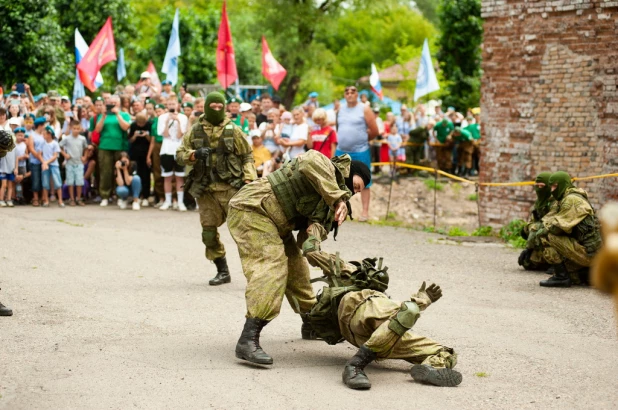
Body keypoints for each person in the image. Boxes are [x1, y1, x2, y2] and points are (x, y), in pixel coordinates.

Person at [227, 151, 371, 365]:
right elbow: (308, 160)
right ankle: (248, 338)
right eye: (356, 186)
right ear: (350, 172)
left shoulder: (331, 207)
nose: (354, 193)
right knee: (272, 267)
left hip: (277, 225)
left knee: (297, 270)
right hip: (251, 209)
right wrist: (336, 198)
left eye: (357, 192)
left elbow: (307, 242)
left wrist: (322, 247)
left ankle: (311, 323)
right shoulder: (325, 166)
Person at [303, 251, 461, 389]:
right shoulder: (350, 274)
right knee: (409, 311)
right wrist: (314, 227)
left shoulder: (381, 297)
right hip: (357, 306)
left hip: (381, 334)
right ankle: (354, 366)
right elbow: (311, 250)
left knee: (447, 353)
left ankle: (429, 369)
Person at [176, 92, 257, 285]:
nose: (217, 110)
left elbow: (247, 155)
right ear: (206, 107)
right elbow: (180, 154)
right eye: (213, 107)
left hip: (231, 188)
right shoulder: (195, 130)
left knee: (245, 234)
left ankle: (256, 273)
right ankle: (223, 270)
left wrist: (249, 179)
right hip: (206, 191)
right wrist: (194, 154)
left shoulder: (233, 129)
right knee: (208, 234)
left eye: (220, 107)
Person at [530, 172, 602, 288]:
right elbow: (548, 219)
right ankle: (587, 273)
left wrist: (541, 230)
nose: (552, 190)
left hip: (589, 253)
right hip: (587, 251)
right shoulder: (564, 198)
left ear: (563, 184)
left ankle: (561, 277)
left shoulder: (571, 200)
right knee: (573, 276)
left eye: (555, 186)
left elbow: (556, 228)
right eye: (551, 186)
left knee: (546, 235)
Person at [335, 86, 379, 222]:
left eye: (352, 91)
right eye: (346, 92)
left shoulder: (364, 108)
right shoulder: (340, 109)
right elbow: (338, 127)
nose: (349, 94)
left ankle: (364, 212)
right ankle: (336, 210)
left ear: (357, 94)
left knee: (365, 181)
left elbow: (374, 130)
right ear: (344, 95)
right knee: (336, 180)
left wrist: (361, 140)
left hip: (361, 150)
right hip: (341, 150)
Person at [92, 95, 131, 207]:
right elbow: (97, 130)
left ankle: (120, 195)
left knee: (120, 170)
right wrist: (104, 116)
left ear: (119, 103)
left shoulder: (124, 114)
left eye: (115, 102)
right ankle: (105, 196)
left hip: (119, 146)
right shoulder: (102, 115)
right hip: (105, 146)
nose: (113, 104)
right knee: (105, 171)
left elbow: (125, 127)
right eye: (111, 102)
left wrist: (117, 114)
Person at [518, 172, 555, 271]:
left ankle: (559, 265)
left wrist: (528, 248)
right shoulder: (538, 203)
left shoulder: (555, 202)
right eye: (536, 186)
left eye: (542, 186)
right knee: (527, 263)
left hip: (554, 237)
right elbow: (532, 222)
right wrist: (526, 229)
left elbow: (547, 225)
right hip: (540, 237)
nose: (539, 188)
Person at [158, 98, 188, 211]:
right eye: (169, 103)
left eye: (173, 103)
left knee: (180, 176)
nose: (171, 105)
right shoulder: (162, 117)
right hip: (166, 150)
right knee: (167, 177)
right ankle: (167, 201)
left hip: (179, 149)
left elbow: (181, 134)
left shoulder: (183, 117)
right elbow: (164, 134)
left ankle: (180, 202)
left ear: (177, 105)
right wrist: (167, 121)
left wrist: (178, 121)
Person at [59, 120, 88, 206]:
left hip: (79, 163)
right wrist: (65, 154)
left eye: (78, 128)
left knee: (79, 182)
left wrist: (85, 156)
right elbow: (59, 146)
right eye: (74, 128)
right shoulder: (67, 138)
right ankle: (72, 199)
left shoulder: (82, 139)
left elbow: (86, 148)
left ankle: (78, 198)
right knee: (70, 182)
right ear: (71, 128)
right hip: (70, 163)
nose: (76, 130)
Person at [128, 113, 152, 207]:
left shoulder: (149, 125)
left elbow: (151, 141)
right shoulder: (133, 125)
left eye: (143, 123)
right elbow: (130, 140)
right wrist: (135, 135)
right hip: (135, 154)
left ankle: (145, 196)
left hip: (146, 153)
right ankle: (136, 196)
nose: (141, 125)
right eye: (139, 124)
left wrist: (146, 135)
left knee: (146, 174)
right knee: (136, 175)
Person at [147, 104, 166, 206]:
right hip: (157, 146)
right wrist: (148, 155)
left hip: (167, 144)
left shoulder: (168, 120)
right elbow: (153, 140)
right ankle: (161, 198)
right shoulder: (154, 122)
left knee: (168, 172)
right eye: (157, 111)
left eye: (160, 111)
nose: (159, 113)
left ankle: (172, 198)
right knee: (157, 172)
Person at [41, 126, 64, 208]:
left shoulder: (55, 143)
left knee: (57, 182)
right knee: (45, 182)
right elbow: (39, 154)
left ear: (49, 134)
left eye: (44, 134)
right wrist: (44, 162)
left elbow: (55, 156)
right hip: (45, 165)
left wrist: (46, 162)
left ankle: (60, 200)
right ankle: (46, 201)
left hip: (54, 165)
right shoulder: (42, 143)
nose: (43, 135)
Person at [27, 117, 47, 206]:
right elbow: (31, 148)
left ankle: (43, 197)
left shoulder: (45, 135)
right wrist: (39, 158)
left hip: (45, 161)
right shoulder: (32, 135)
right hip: (35, 161)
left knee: (44, 179)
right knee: (35, 179)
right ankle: (35, 198)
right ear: (39, 126)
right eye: (43, 125)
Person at [0, 130, 17, 207]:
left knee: (10, 185)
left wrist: (15, 168)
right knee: (4, 185)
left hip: (10, 168)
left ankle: (8, 199)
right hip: (3, 168)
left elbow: (15, 157)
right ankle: (1, 200)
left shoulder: (11, 144)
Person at [13, 127, 28, 204]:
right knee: (15, 181)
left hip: (23, 165)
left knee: (22, 181)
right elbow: (12, 156)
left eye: (22, 135)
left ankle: (20, 196)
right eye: (18, 135)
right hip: (15, 166)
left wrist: (25, 156)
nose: (20, 137)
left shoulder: (24, 144)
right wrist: (19, 158)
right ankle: (15, 197)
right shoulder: (13, 145)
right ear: (15, 136)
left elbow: (27, 154)